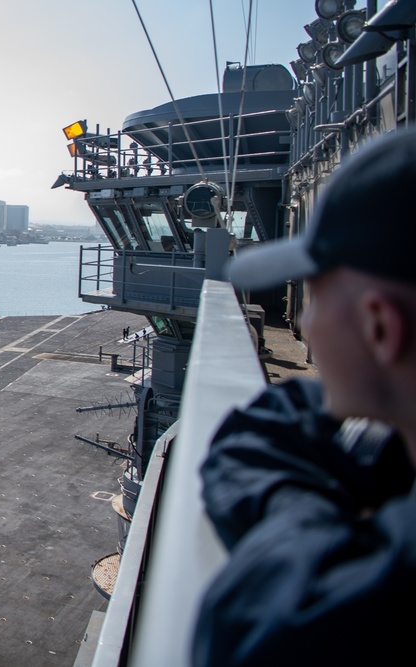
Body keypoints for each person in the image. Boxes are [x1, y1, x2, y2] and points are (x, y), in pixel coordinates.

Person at [192, 128, 416, 666]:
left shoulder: (356, 620)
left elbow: (251, 629)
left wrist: (296, 509)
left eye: (313, 295)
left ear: (380, 328)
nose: (305, 326)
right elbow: (275, 421)